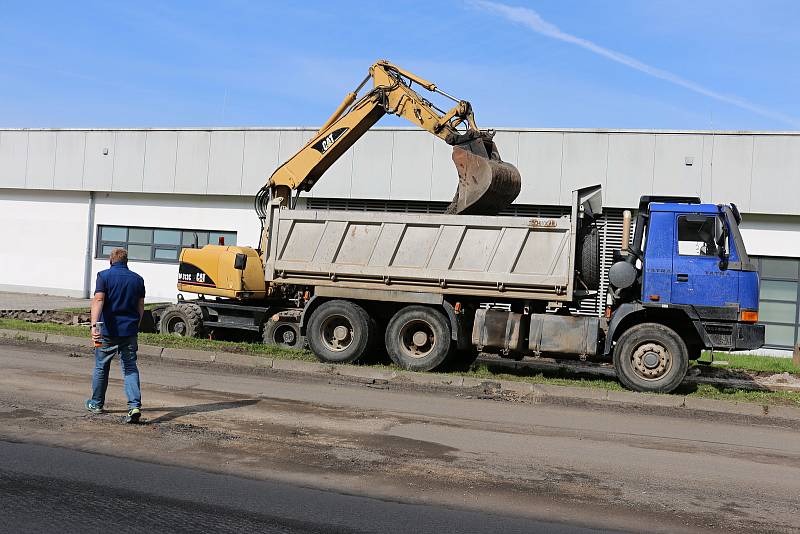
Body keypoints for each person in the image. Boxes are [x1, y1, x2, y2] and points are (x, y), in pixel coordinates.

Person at [85, 248, 146, 424]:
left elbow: (99, 300)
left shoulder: (103, 276)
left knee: (101, 366)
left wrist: (94, 325)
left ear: (111, 261)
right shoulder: (137, 279)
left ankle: (96, 404)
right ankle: (134, 406)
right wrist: (136, 324)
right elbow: (140, 305)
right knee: (130, 367)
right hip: (129, 331)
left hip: (108, 331)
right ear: (126, 262)